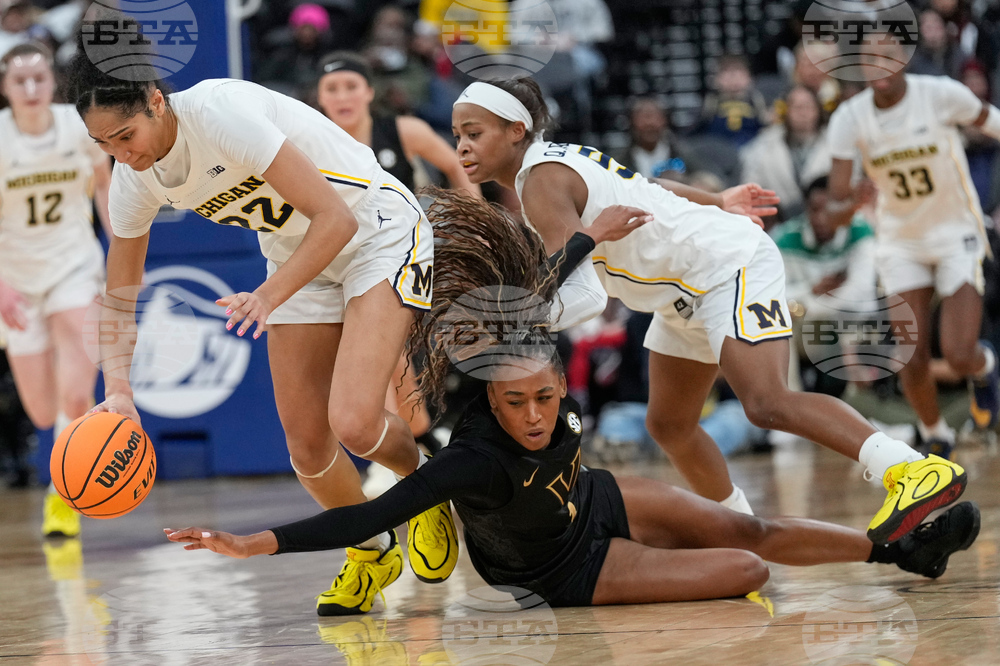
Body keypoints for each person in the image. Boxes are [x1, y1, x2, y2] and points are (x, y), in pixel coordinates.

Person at [164, 191, 981, 606]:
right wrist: (255, 544)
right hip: (557, 565)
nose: (534, 414)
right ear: (491, 401)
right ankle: (663, 572)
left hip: (591, 499)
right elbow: (360, 518)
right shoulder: (477, 455)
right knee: (746, 568)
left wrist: (593, 236)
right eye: (517, 404)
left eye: (546, 399)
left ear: (562, 382)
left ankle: (900, 551)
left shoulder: (535, 365)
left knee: (747, 525)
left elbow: (538, 288)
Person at [450, 77, 968, 546]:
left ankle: (911, 470)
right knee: (670, 424)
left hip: (725, 265)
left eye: (473, 133)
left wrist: (510, 322)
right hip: (679, 292)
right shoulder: (553, 162)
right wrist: (717, 199)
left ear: (516, 129)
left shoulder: (541, 180)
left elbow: (584, 296)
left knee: (765, 402)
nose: (462, 146)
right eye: (457, 136)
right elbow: (651, 188)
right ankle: (736, 529)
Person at [66, 21, 457, 616]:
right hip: (297, 254)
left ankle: (424, 485)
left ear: (155, 99)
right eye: (105, 145)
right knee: (306, 447)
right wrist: (118, 389)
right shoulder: (133, 179)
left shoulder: (220, 114)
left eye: (126, 135)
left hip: (375, 228)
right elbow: (120, 295)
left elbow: (336, 220)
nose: (123, 154)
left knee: (353, 422)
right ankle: (370, 550)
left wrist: (269, 295)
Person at [827, 54, 1000, 459]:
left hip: (956, 231)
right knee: (910, 353)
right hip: (900, 240)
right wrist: (854, 200)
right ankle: (936, 434)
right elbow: (833, 209)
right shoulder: (849, 119)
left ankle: (983, 368)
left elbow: (995, 123)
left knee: (958, 354)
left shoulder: (940, 95)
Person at [0, 42, 112, 537]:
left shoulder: (77, 124)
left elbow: (106, 185)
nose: (30, 89)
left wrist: (119, 251)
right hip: (15, 278)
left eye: (38, 79)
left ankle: (63, 494)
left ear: (53, 82)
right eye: (19, 81)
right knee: (42, 410)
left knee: (75, 394)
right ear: (5, 88)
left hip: (74, 264)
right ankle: (60, 470)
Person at [316, 52, 478, 198]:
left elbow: (458, 165)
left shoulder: (404, 130)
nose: (342, 97)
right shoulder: (308, 141)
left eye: (352, 87)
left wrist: (475, 222)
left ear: (369, 91)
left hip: (405, 229)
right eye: (331, 89)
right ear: (320, 97)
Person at [740, 85, 831, 221]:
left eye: (808, 106)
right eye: (797, 107)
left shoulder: (835, 141)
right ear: (786, 110)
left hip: (826, 219)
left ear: (818, 110)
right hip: (776, 220)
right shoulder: (763, 143)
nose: (803, 113)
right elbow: (750, 184)